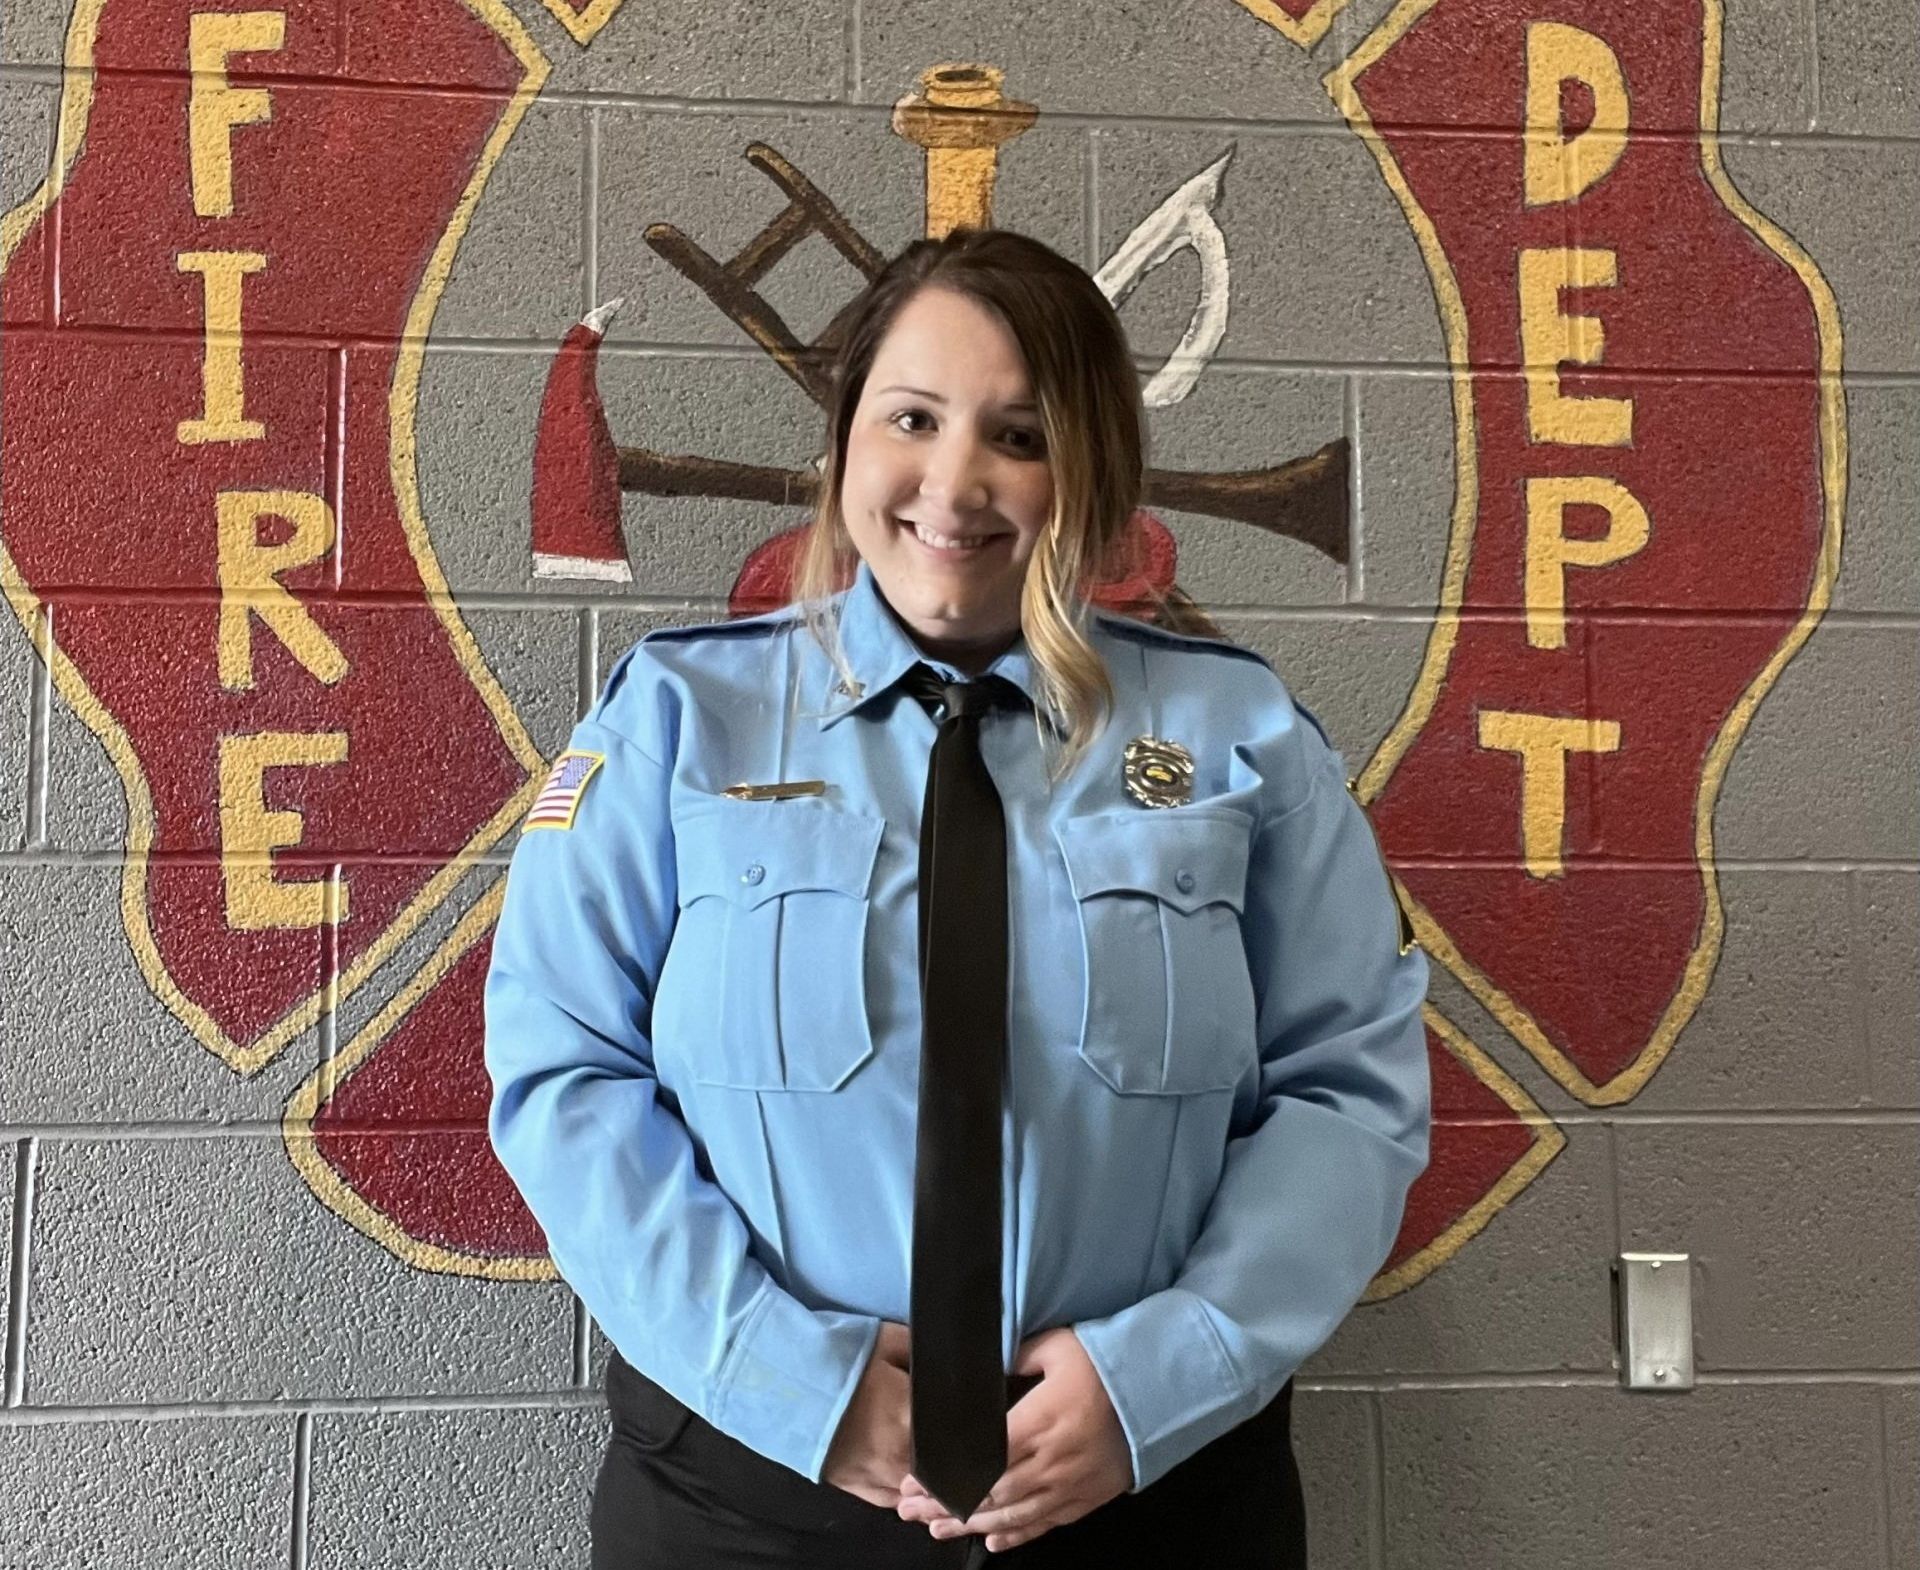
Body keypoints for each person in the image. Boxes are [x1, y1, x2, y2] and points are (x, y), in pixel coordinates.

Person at [483, 227, 1432, 1568]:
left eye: (1021, 436)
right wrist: (783, 1374)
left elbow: (1351, 1087)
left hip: (1150, 1492)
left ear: (1091, 472)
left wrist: (1166, 1374)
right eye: (912, 419)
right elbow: (561, 1068)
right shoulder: (681, 719)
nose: (955, 482)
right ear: (846, 447)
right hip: (752, 1497)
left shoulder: (1241, 738)